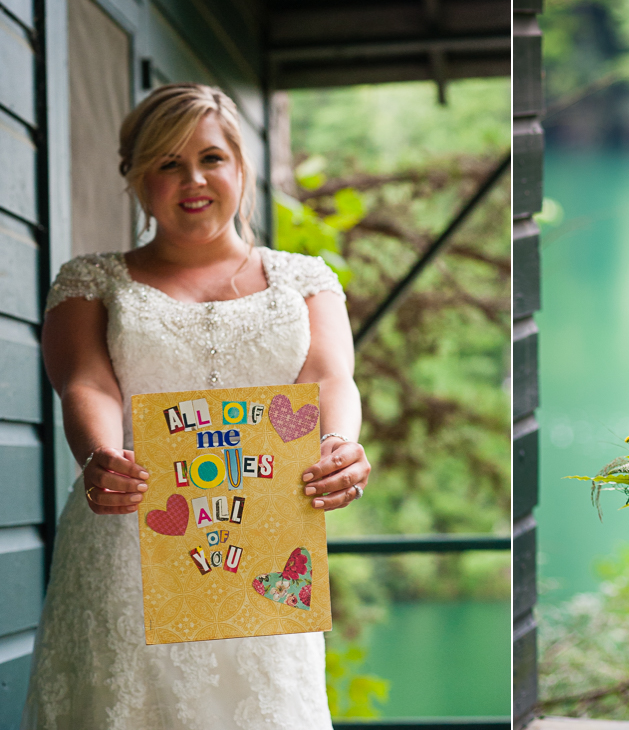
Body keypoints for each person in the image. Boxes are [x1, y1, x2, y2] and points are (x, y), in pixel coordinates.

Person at [22, 83, 370, 730]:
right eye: (167, 164)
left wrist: (341, 443)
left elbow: (330, 379)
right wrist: (100, 455)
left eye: (211, 158)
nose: (193, 180)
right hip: (130, 546)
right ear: (135, 177)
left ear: (241, 166)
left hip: (265, 552)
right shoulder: (90, 282)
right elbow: (87, 384)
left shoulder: (305, 280)